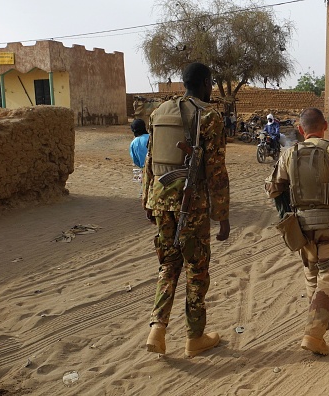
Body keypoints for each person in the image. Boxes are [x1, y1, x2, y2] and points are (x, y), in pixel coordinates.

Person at [142, 62, 230, 357]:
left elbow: (150, 161)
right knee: (196, 270)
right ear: (205, 82)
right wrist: (223, 215)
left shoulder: (159, 112)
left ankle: (158, 328)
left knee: (168, 264)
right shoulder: (210, 116)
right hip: (191, 205)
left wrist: (146, 199)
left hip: (160, 201)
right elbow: (216, 170)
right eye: (211, 83)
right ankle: (195, 337)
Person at [264, 107, 329, 355]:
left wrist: (287, 210)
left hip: (302, 226)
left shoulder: (289, 154)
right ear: (325, 127)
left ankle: (320, 319)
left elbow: (271, 187)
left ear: (301, 130)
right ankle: (314, 333)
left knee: (312, 272)